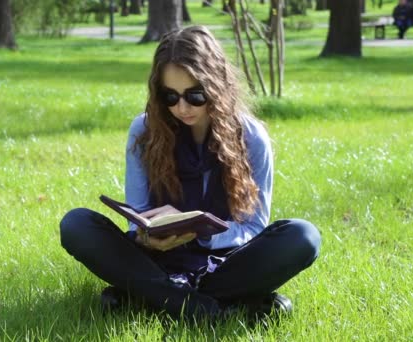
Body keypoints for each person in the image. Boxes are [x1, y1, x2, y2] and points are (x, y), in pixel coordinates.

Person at [59, 26, 321, 322]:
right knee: (77, 224)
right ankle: (217, 308)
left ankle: (152, 298)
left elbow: (253, 228)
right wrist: (146, 239)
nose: (182, 107)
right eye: (170, 96)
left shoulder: (250, 137)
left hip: (224, 265)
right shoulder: (144, 131)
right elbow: (138, 216)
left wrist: (205, 236)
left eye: (195, 95)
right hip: (156, 261)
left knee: (303, 235)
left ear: (217, 86)